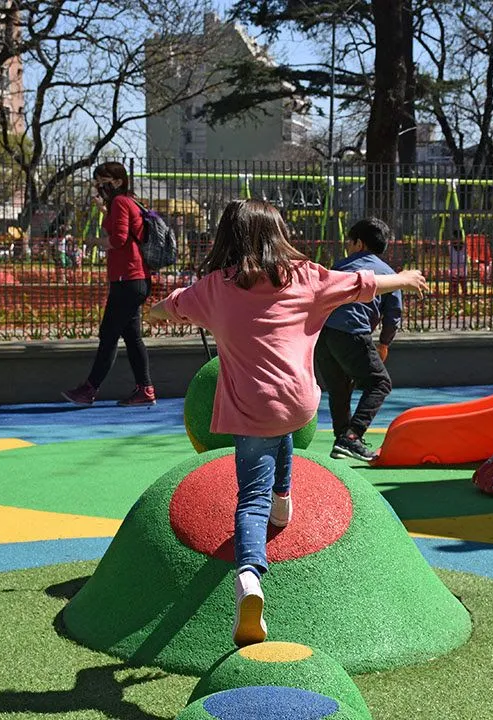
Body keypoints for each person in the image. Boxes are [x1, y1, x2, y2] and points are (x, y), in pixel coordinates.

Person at [146, 199, 428, 647]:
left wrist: (153, 310)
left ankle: (250, 578)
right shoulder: (307, 277)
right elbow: (364, 283)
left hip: (249, 409)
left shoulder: (214, 288)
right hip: (298, 405)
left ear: (228, 239)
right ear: (278, 234)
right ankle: (284, 495)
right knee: (283, 437)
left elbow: (172, 306)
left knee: (249, 497)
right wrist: (407, 279)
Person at [62, 161, 156, 407]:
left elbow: (120, 238)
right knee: (132, 335)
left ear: (116, 182)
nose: (98, 186)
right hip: (133, 279)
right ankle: (145, 389)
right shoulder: (125, 202)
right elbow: (124, 228)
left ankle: (89, 389)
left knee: (109, 335)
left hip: (128, 279)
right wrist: (104, 211)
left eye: (102, 181)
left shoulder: (120, 202)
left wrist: (95, 241)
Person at [314, 217, 401, 462]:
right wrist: (384, 343)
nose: (347, 248)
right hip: (352, 333)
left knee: (339, 387)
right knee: (380, 384)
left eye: (349, 243)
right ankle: (352, 437)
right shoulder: (388, 274)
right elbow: (393, 314)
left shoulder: (339, 267)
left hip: (323, 335)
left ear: (359, 244)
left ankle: (341, 438)